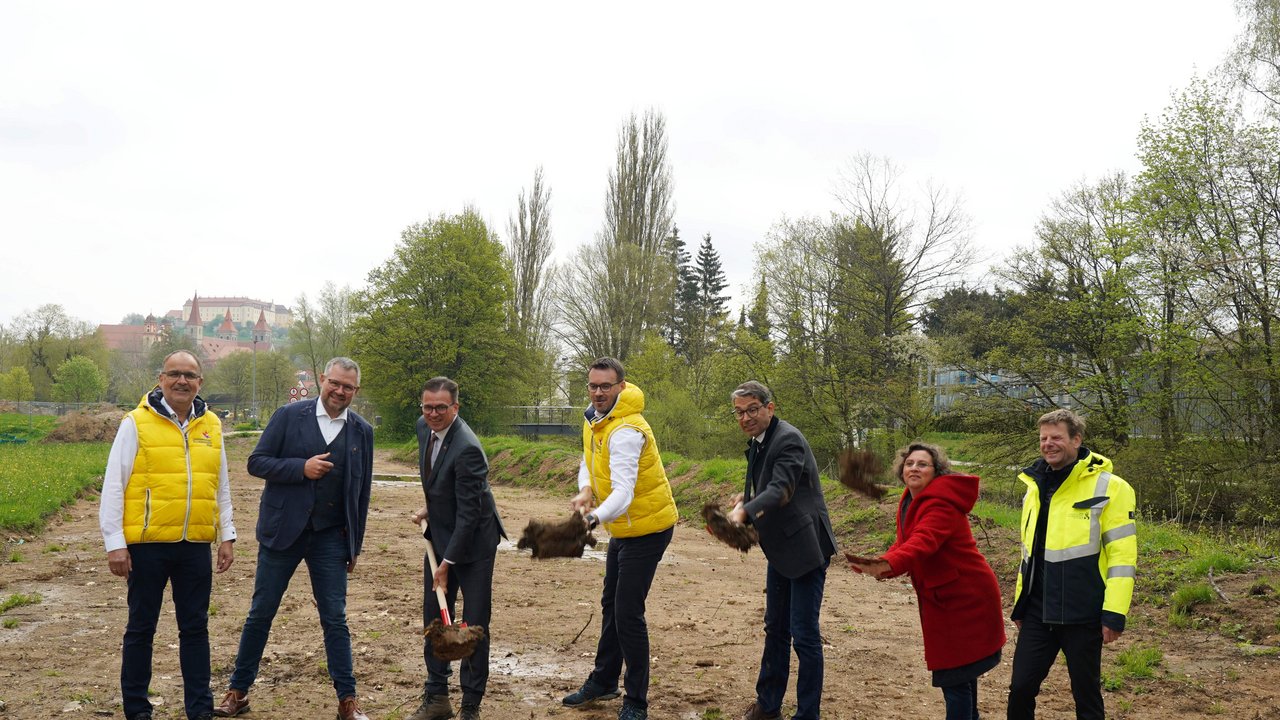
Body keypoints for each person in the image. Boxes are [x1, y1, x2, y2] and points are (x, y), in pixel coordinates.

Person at [214, 357, 373, 720]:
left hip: (331, 538)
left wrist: (355, 545)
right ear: (322, 380)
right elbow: (257, 462)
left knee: (335, 618)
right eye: (335, 383)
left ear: (355, 391)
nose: (340, 391)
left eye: (348, 387)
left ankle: (348, 701)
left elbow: (361, 493)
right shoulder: (289, 416)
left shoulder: (362, 431)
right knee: (261, 613)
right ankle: (237, 692)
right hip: (282, 533)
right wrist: (300, 469)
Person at [99, 349, 236, 720]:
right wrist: (115, 543)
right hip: (146, 546)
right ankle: (137, 711)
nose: (182, 381)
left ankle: (199, 710)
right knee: (141, 629)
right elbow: (114, 484)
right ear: (160, 379)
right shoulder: (135, 423)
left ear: (200, 383)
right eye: (174, 374)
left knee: (195, 628)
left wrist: (227, 534)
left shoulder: (211, 425)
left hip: (194, 545)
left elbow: (219, 484)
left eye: (189, 375)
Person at [847, 442, 1005, 719]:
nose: (914, 468)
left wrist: (888, 565)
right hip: (944, 597)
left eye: (922, 464)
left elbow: (923, 543)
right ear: (901, 469)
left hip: (965, 598)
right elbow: (904, 544)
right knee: (960, 672)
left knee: (953, 676)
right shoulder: (910, 499)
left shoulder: (940, 503)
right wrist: (883, 565)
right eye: (909, 464)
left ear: (936, 471)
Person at [561, 357, 678, 720]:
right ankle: (604, 681)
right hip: (624, 528)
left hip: (649, 528)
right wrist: (585, 490)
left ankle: (636, 700)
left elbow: (625, 492)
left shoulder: (627, 429)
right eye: (593, 386)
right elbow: (589, 460)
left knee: (628, 613)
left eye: (605, 386)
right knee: (611, 603)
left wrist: (594, 517)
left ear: (621, 387)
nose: (598, 392)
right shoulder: (595, 420)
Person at [1006, 409, 1137, 720]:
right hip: (1038, 612)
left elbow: (1122, 556)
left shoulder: (1112, 487)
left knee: (1086, 695)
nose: (1048, 444)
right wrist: (1021, 604)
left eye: (1057, 438)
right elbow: (1029, 552)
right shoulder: (1033, 487)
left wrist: (1115, 612)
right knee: (1021, 688)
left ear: (1076, 440)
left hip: (1085, 613)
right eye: (1043, 438)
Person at [727, 381, 837, 720]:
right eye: (740, 412)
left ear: (769, 408)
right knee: (775, 628)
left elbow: (781, 487)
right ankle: (768, 705)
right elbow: (770, 488)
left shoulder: (787, 438)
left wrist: (745, 512)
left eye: (752, 410)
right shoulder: (760, 441)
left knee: (804, 635)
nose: (746, 417)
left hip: (805, 549)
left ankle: (807, 714)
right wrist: (748, 500)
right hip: (781, 550)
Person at [405, 377, 507, 720]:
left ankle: (470, 706)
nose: (432, 413)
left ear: (456, 408)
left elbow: (469, 514)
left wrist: (446, 564)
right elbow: (437, 482)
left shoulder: (468, 448)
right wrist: (431, 509)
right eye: (427, 406)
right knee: (435, 619)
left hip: (475, 542)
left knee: (473, 626)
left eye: (440, 408)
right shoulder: (423, 427)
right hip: (441, 533)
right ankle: (437, 697)